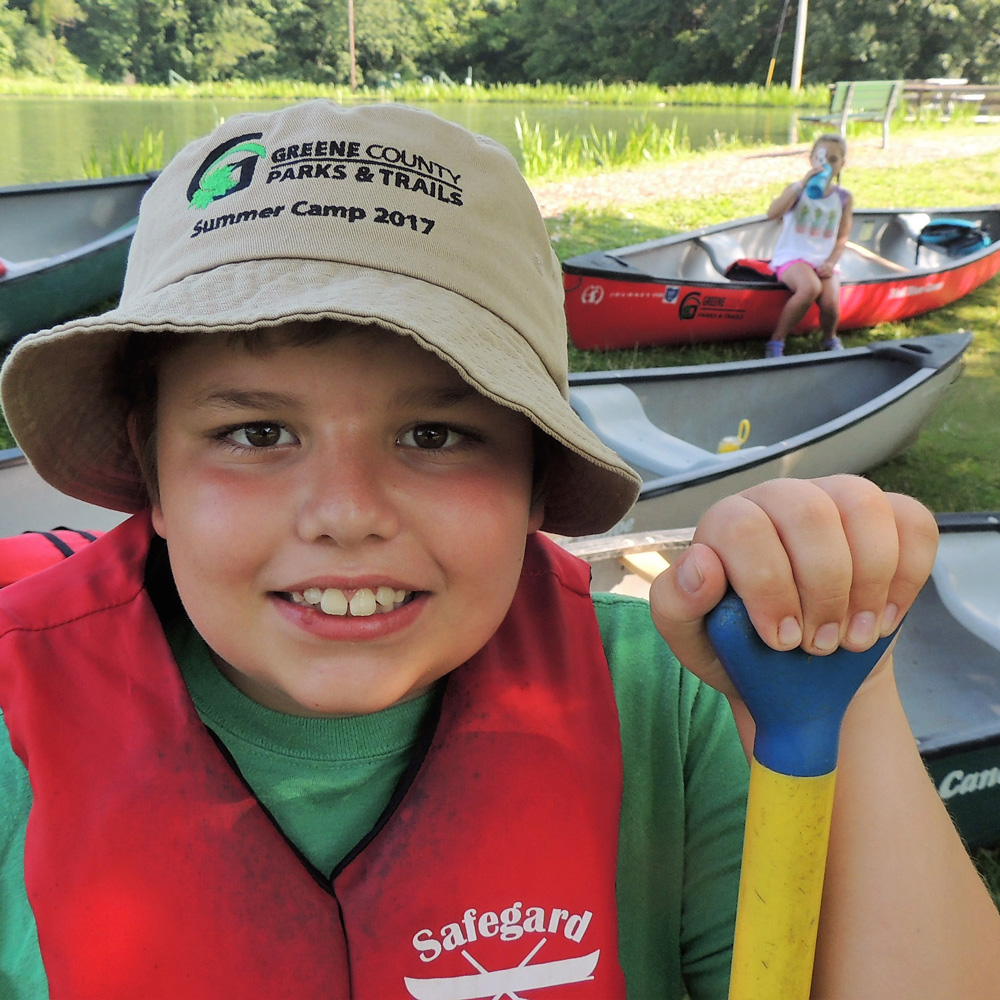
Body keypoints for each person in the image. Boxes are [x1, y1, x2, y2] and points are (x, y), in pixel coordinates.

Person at [0, 101, 997, 1000]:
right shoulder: (15, 721)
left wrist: (835, 677)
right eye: (257, 434)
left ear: (534, 478)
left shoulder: (673, 705)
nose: (345, 513)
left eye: (434, 435)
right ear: (152, 468)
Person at [764, 133, 853, 358]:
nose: (826, 164)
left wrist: (831, 262)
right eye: (821, 157)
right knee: (810, 288)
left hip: (823, 259)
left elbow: (842, 236)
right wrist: (801, 184)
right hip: (792, 257)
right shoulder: (797, 189)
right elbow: (772, 214)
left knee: (831, 301)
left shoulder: (843, 197)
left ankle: (829, 338)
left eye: (833, 159)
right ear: (811, 159)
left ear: (842, 164)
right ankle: (776, 341)